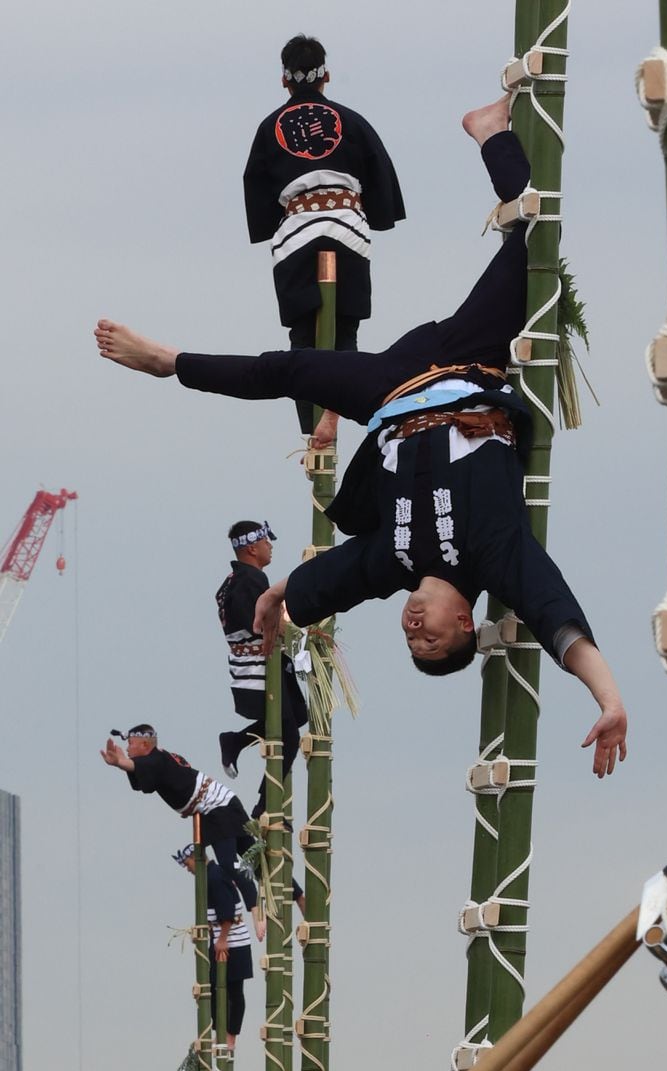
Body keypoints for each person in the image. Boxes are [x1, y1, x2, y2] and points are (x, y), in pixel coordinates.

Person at [94, 100, 627, 777]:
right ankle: (492, 131)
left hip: (392, 393)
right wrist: (608, 698)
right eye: (435, 644)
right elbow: (559, 620)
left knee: (289, 369)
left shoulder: (395, 559)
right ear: (466, 624)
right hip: (468, 361)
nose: (417, 633)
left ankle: (171, 362)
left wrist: (276, 593)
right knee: (537, 237)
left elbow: (333, 579)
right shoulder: (497, 553)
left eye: (413, 645)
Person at [243, 34, 406, 432]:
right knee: (345, 330)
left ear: (284, 80)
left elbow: (257, 193)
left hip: (296, 233)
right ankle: (338, 414)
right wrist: (378, 215)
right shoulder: (352, 121)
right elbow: (381, 179)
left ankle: (311, 428)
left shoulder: (269, 128)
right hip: (348, 229)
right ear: (326, 76)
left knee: (303, 337)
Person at [100, 725, 265, 937]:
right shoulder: (159, 760)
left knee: (230, 863)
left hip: (217, 808)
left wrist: (122, 762)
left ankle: (256, 910)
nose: (128, 748)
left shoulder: (157, 759)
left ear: (145, 744)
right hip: (218, 805)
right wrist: (124, 765)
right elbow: (144, 783)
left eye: (130, 744)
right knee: (257, 860)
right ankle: (297, 896)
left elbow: (142, 766)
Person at [216, 518, 308, 790]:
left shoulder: (234, 582)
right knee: (288, 737)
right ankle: (266, 803)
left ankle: (236, 741)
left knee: (298, 714)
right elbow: (258, 624)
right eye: (266, 541)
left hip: (259, 663)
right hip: (259, 667)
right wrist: (299, 637)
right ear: (252, 549)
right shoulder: (249, 581)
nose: (270, 546)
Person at [174, 845, 253, 1049]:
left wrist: (222, 939)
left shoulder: (215, 877)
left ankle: (230, 1035)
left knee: (234, 990)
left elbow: (226, 911)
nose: (188, 869)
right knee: (213, 987)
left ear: (194, 858)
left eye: (187, 864)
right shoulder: (211, 876)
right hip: (219, 937)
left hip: (232, 940)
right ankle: (219, 1030)